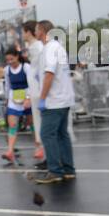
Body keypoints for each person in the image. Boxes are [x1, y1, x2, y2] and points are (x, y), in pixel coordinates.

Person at [33, 20, 76, 184]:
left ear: (42, 30)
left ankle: (55, 171)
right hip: (64, 98)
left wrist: (42, 98)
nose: (35, 32)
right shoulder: (56, 47)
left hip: (54, 100)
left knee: (47, 134)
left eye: (36, 29)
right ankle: (68, 169)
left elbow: (49, 74)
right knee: (61, 134)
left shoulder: (50, 48)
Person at [20, 21, 47, 167]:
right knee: (39, 123)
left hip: (39, 91)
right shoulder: (33, 47)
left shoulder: (37, 47)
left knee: (42, 123)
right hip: (36, 90)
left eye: (23, 31)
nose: (22, 34)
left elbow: (39, 72)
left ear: (28, 32)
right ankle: (44, 153)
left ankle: (47, 156)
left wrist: (32, 95)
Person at [0, 50, 31, 163]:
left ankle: (39, 146)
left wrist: (28, 97)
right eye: (7, 60)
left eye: (11, 59)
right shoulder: (7, 70)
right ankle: (10, 151)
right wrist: (7, 99)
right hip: (14, 98)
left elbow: (32, 83)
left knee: (31, 123)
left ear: (17, 57)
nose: (10, 62)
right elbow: (7, 85)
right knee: (12, 124)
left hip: (27, 96)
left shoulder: (26, 67)